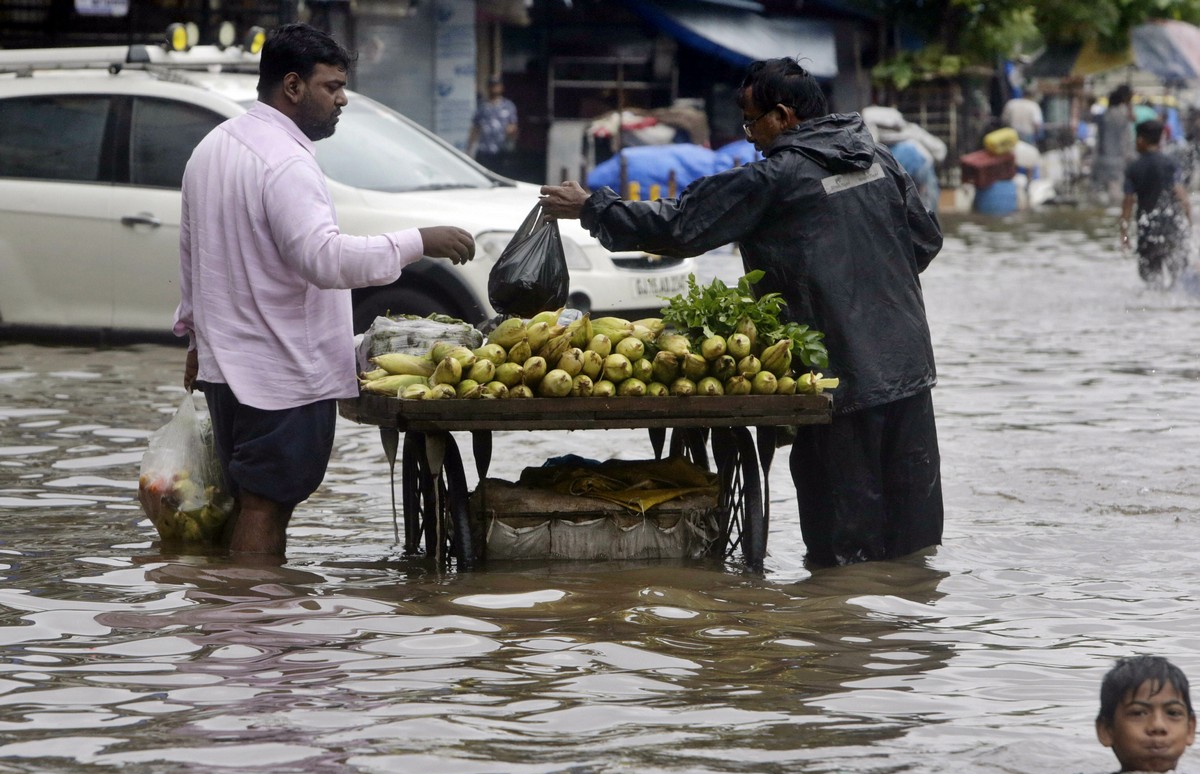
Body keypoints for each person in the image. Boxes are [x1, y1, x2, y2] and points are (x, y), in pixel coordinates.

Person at [539, 57, 944, 568]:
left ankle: (845, 630)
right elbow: (925, 241)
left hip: (840, 379)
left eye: (752, 122)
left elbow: (684, 225)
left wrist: (595, 208)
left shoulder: (779, 177)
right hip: (909, 369)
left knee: (845, 552)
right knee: (913, 544)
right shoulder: (879, 158)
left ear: (783, 116)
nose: (750, 136)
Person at [173, 23, 475, 560]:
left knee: (252, 500)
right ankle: (255, 618)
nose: (341, 101)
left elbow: (191, 261)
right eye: (331, 87)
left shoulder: (211, 147)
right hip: (280, 372)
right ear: (292, 85)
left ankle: (242, 628)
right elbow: (324, 259)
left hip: (228, 369)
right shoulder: (285, 162)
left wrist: (195, 342)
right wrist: (418, 240)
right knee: (266, 504)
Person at [1071, 655, 1195, 774]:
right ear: (1106, 730)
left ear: (1190, 729)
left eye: (1173, 713)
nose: (1158, 726)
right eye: (1138, 713)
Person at [1120, 118, 1193, 289]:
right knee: (1178, 282)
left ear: (1140, 140)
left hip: (1148, 234)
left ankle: (1154, 315)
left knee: (1153, 286)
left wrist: (1124, 235)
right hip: (1172, 231)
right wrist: (1189, 227)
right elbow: (1183, 198)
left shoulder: (1134, 168)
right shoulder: (1171, 163)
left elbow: (1127, 205)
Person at [467, 73, 518, 176]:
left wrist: (511, 132)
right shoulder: (482, 106)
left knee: (501, 177)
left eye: (496, 85)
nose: (494, 88)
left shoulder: (508, 106)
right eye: (491, 85)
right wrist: (469, 148)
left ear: (501, 87)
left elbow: (514, 125)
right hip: (484, 150)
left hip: (501, 151)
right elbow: (475, 127)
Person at [1093, 85, 1136, 204]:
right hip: (1117, 160)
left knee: (1098, 194)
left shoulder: (1103, 116)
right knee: (1115, 195)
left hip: (1100, 159)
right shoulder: (1122, 117)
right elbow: (1127, 141)